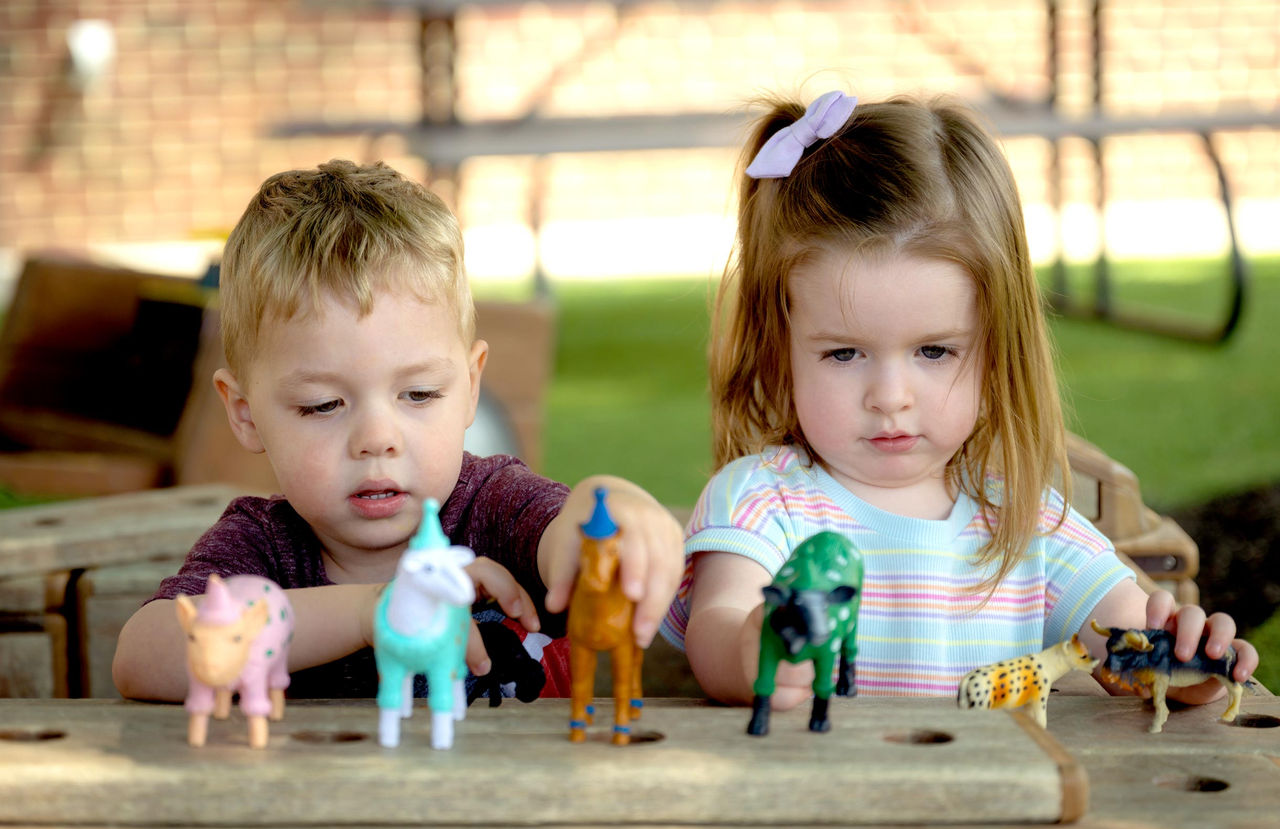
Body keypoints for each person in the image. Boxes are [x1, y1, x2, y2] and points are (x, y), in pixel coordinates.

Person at [659, 91, 1259, 710]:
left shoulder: (1027, 522)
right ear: (776, 347)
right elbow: (719, 624)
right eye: (843, 354)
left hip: (994, 806)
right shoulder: (762, 502)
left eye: (935, 352)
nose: (890, 398)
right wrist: (753, 649)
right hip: (820, 802)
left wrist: (1190, 660)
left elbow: (1134, 647)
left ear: (998, 349)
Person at [113, 159, 683, 702]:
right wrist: (373, 612)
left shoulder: (494, 508)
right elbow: (144, 656)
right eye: (323, 405)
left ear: (470, 385)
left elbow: (568, 542)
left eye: (419, 395)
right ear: (245, 412)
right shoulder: (263, 549)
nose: (378, 438)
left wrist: (606, 507)